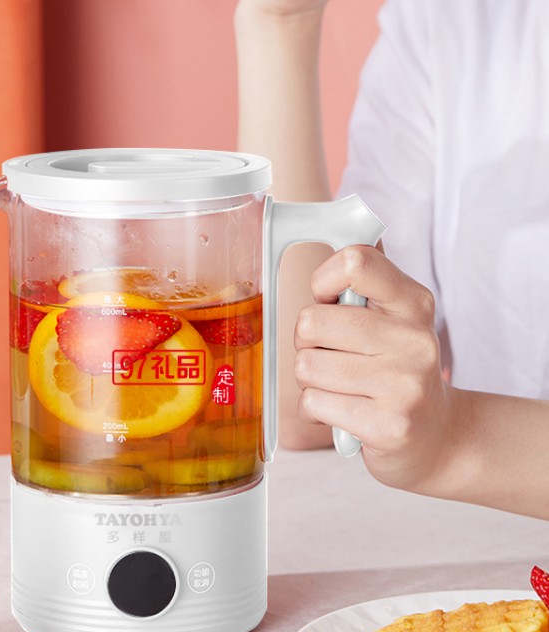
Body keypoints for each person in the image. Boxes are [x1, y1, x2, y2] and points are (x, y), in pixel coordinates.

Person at [234, 0, 549, 518]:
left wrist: (456, 438)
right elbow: (313, 399)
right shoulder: (448, 20)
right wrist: (280, 21)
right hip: (490, 545)